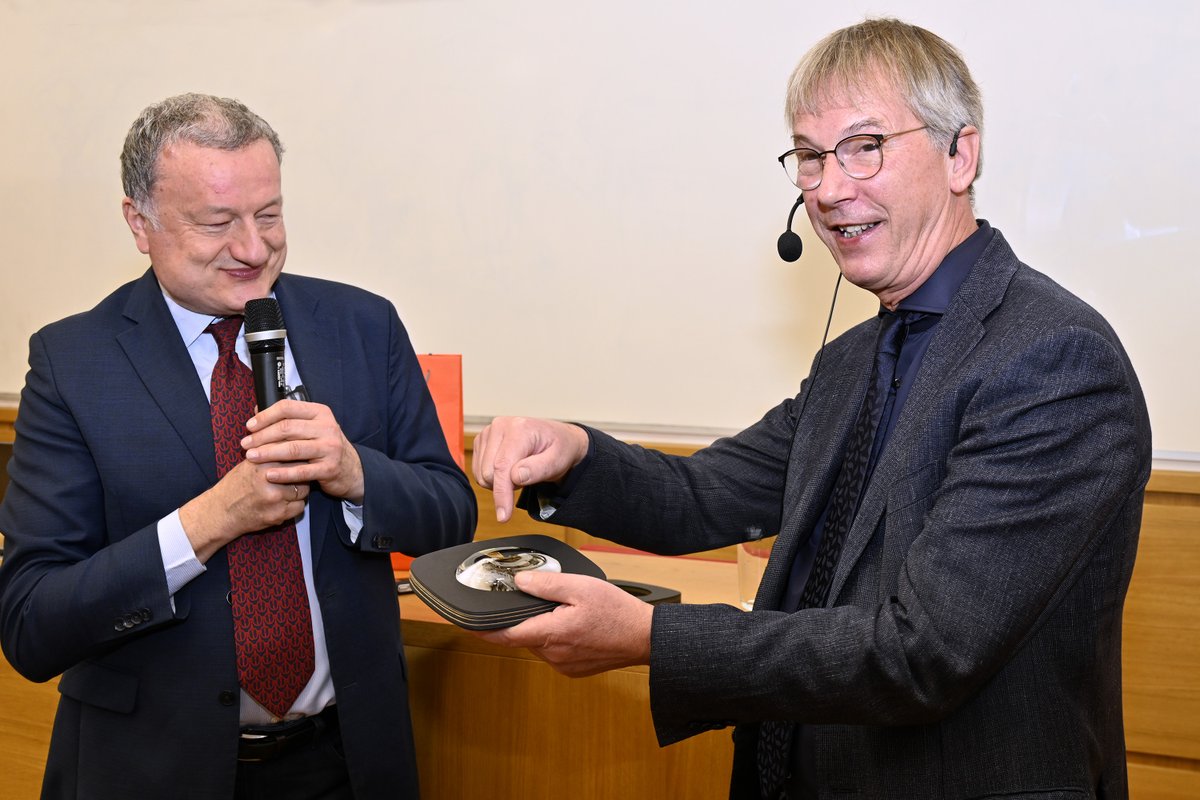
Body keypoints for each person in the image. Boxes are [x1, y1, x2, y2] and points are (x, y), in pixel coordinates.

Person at [471, 18, 1152, 800]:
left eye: (866, 147)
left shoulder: (1055, 359)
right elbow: (703, 497)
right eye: (809, 156)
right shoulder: (851, 360)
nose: (829, 189)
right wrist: (573, 452)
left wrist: (650, 638)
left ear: (961, 155)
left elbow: (922, 652)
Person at [0, 93, 477, 799]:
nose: (254, 249)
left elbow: (450, 514)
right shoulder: (75, 364)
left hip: (346, 760)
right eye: (218, 222)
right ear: (140, 222)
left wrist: (353, 472)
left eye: (270, 215)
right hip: (152, 769)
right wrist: (207, 522)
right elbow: (32, 623)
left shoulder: (363, 326)